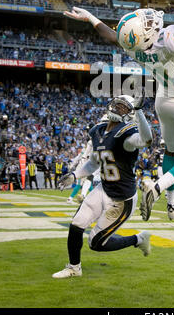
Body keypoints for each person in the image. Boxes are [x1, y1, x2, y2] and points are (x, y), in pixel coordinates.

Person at [64, 0, 174, 222]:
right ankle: (159, 185)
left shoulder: (136, 48)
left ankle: (173, 202)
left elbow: (111, 36)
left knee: (170, 149)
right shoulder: (170, 41)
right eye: (146, 22)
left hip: (163, 101)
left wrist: (91, 18)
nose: (150, 19)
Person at [52, 94, 153, 279]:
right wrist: (75, 175)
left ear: (129, 114)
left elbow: (147, 140)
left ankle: (139, 239)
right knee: (76, 224)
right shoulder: (98, 131)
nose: (118, 108)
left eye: (124, 107)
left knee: (96, 243)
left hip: (122, 199)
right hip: (104, 188)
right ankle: (74, 267)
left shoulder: (127, 135)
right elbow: (93, 163)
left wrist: (140, 112)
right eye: (117, 104)